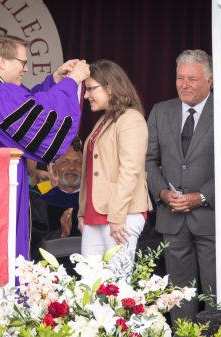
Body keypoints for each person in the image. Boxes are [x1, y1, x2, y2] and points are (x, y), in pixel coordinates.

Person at [0, 34, 90, 260]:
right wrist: (72, 82)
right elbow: (38, 116)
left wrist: (56, 81)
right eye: (22, 63)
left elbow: (27, 104)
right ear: (2, 61)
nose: (26, 69)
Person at [146, 49, 215, 321]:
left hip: (210, 218)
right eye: (179, 78)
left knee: (215, 294)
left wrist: (203, 196)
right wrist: (162, 192)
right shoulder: (161, 111)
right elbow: (148, 161)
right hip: (171, 216)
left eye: (192, 79)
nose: (184, 85)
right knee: (179, 295)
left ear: (209, 80)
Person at [78, 59, 151, 261]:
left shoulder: (131, 118)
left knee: (116, 287)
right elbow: (90, 171)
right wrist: (82, 213)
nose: (86, 95)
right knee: (89, 286)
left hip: (121, 215)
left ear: (109, 88)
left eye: (91, 89)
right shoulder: (105, 119)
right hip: (96, 214)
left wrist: (118, 217)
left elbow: (131, 170)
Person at [30, 145, 82, 259]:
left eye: (78, 162)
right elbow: (33, 246)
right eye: (65, 162)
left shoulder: (94, 203)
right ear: (54, 169)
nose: (72, 167)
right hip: (50, 272)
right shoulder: (38, 202)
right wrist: (60, 234)